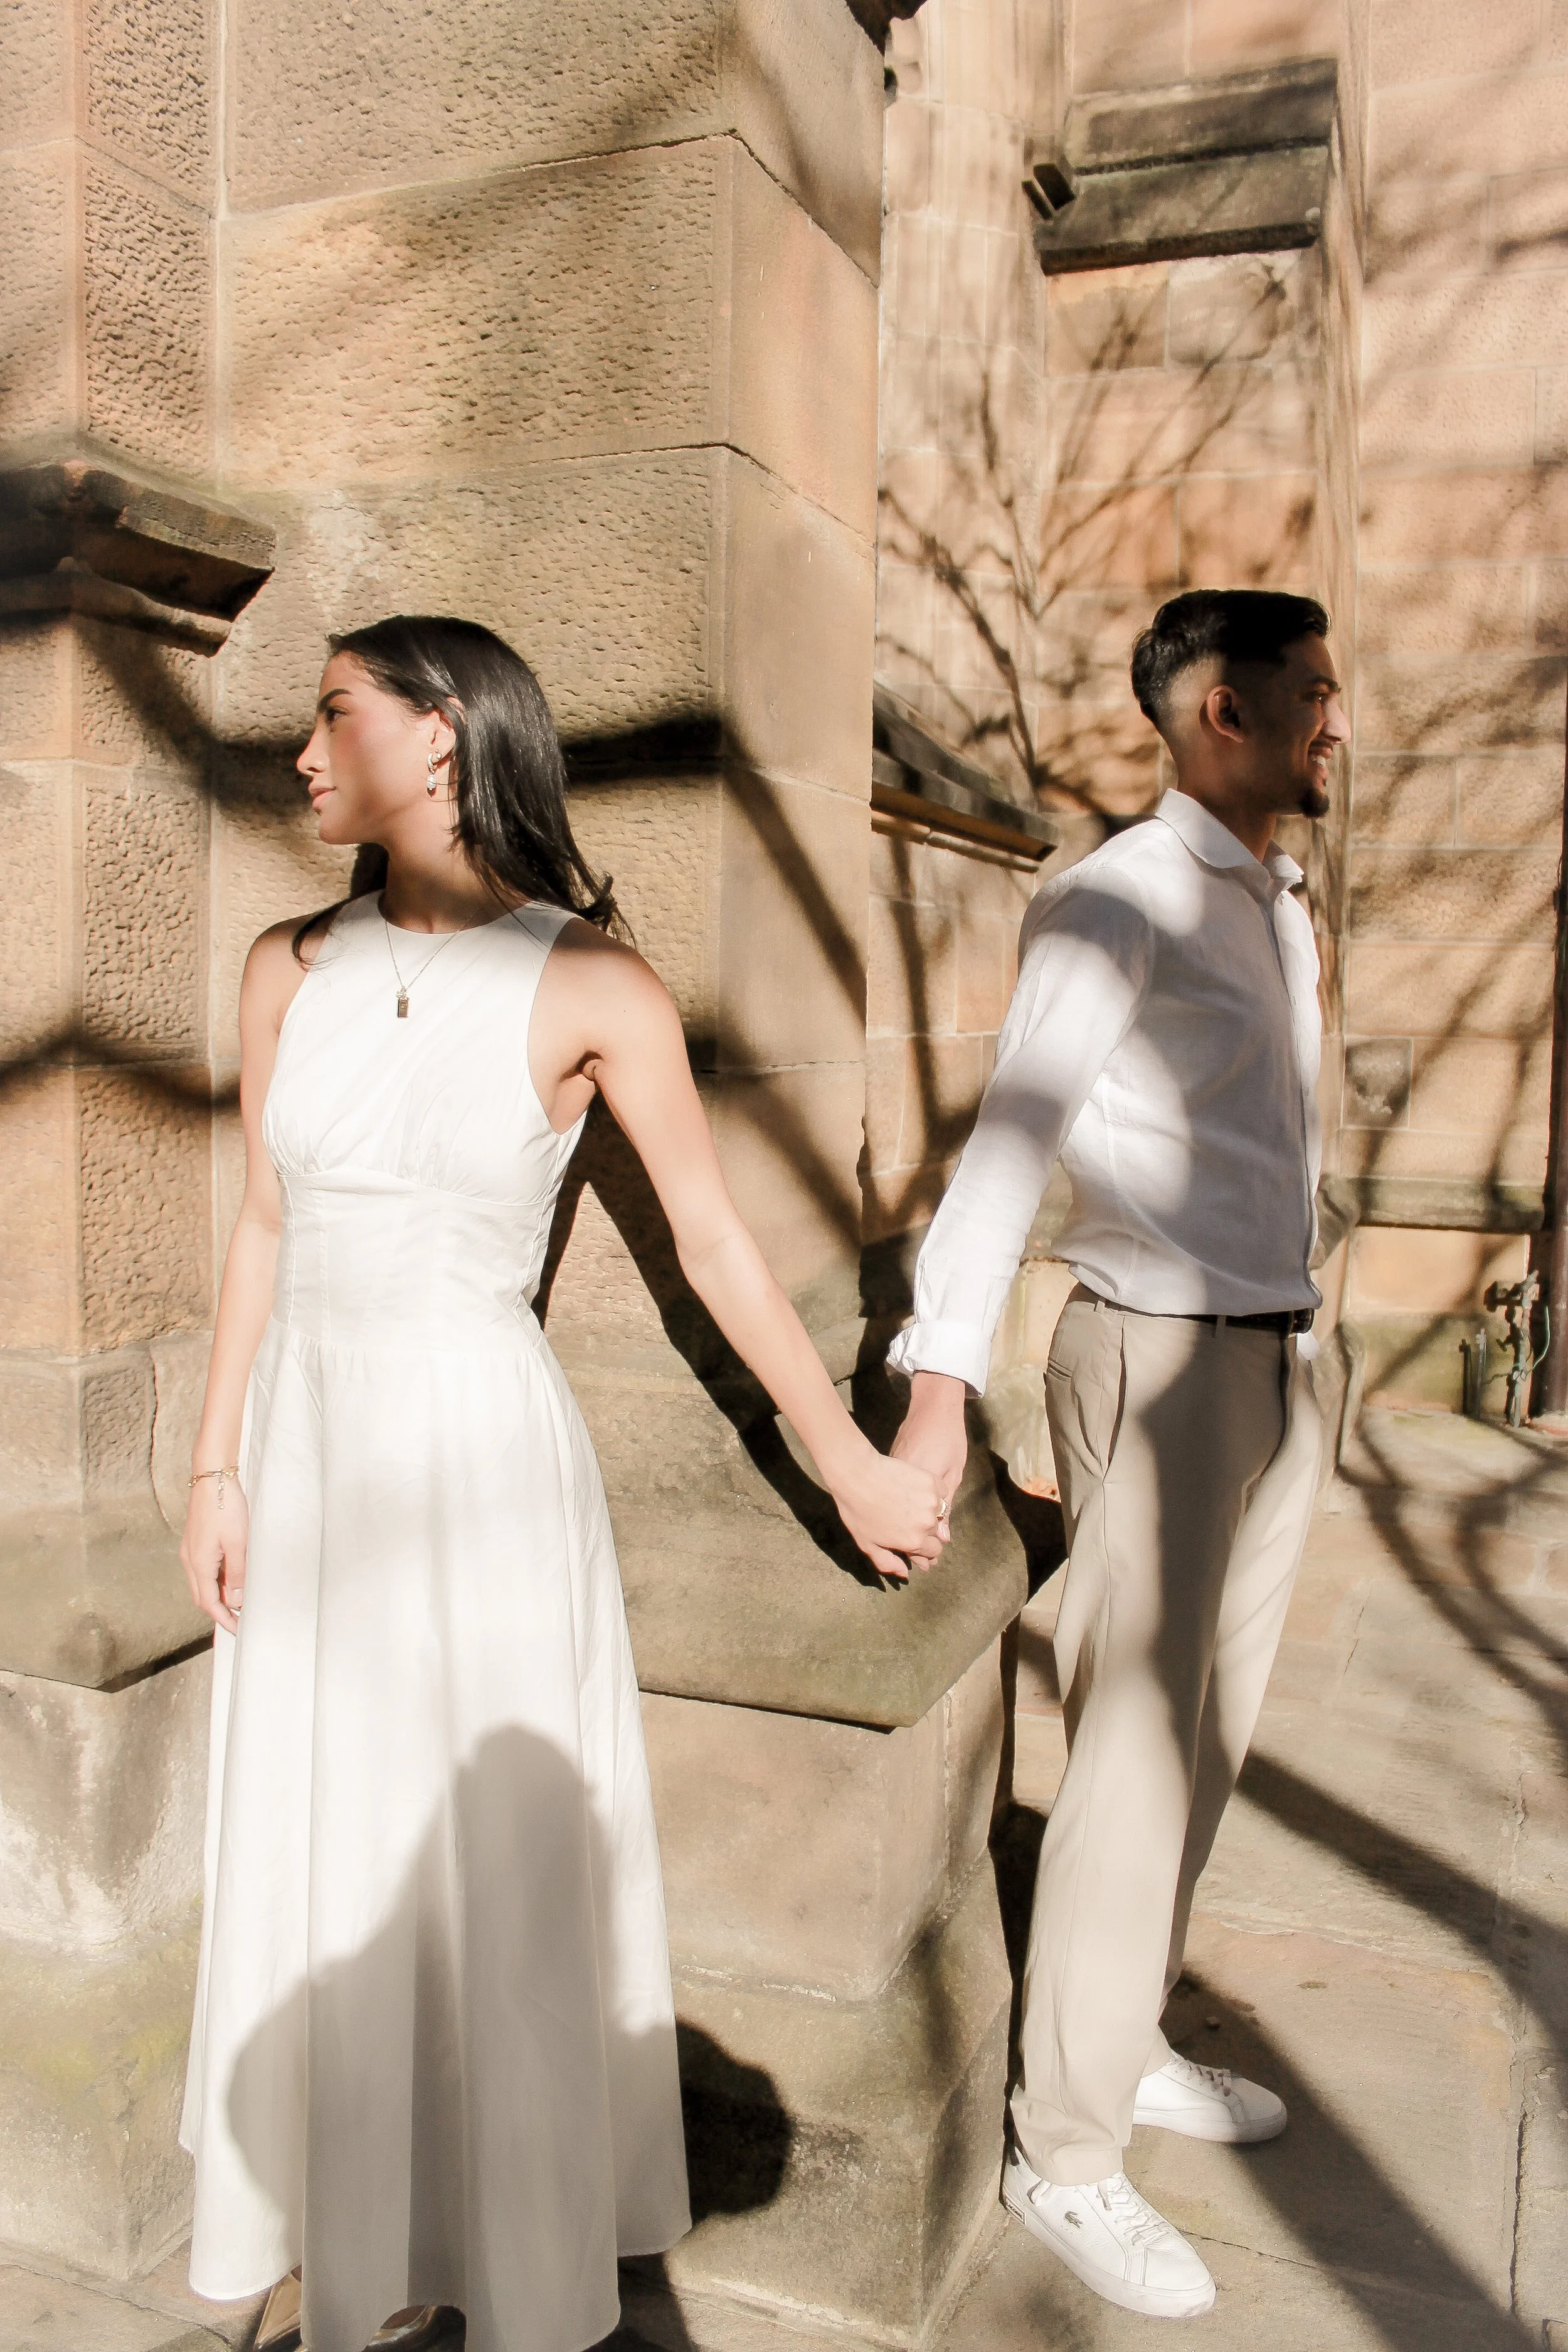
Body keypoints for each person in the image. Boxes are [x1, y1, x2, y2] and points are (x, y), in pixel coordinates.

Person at [177, 615, 948, 2352]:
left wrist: (844, 1462)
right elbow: (263, 1226)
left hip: (478, 1469)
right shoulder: (283, 966)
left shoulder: (596, 987)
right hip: (308, 1455)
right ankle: (353, 2245)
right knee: (322, 1843)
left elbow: (716, 1243)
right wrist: (216, 1465)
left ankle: (495, 2256)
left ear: (442, 733)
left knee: (492, 1872)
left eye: (334, 714)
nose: (302, 752)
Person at [888, 590, 1350, 2320]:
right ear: (1222, 708)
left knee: (1209, 1734)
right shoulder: (1115, 898)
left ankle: (1121, 2029)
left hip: (1275, 1350)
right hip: (1156, 1358)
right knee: (1133, 1755)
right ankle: (1064, 2151)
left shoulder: (1274, 904)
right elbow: (1008, 1142)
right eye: (1313, 693)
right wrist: (939, 1393)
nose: (1335, 721)